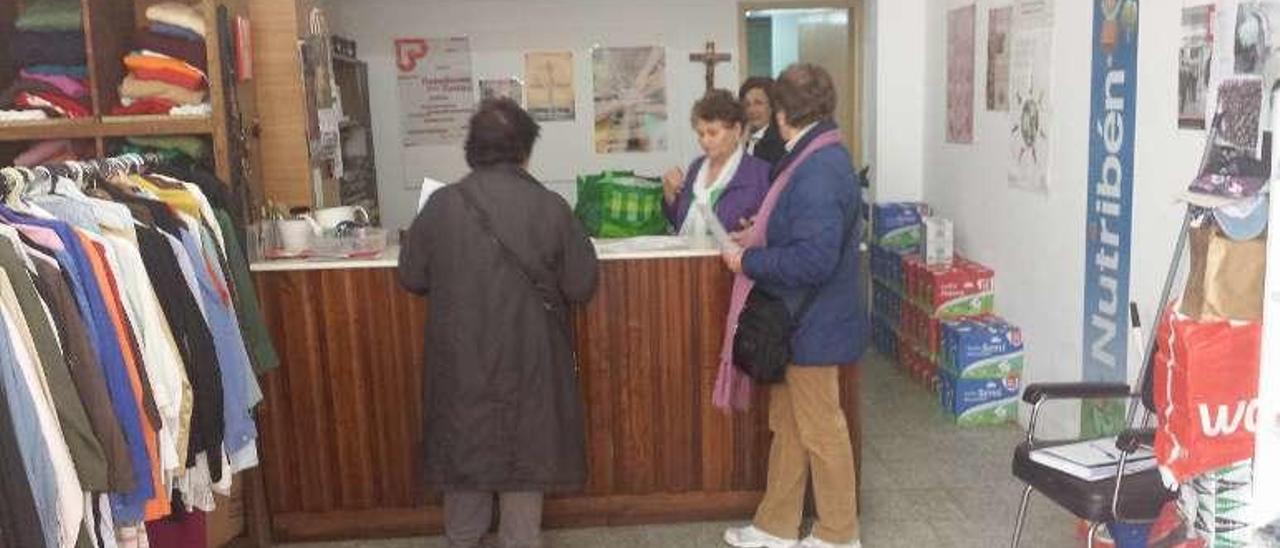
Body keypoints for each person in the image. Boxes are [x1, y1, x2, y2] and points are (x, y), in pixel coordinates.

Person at [398, 98, 599, 548]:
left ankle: (462, 539)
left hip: (460, 368)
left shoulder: (442, 206)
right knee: (524, 468)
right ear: (525, 150)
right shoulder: (551, 207)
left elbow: (411, 276)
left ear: (471, 149)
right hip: (531, 367)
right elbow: (582, 284)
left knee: (463, 463)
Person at [721, 64, 866, 548]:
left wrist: (748, 259)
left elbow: (814, 259)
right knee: (788, 425)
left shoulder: (819, 168)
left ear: (782, 113)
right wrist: (759, 234)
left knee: (822, 430)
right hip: (800, 321)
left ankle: (839, 534)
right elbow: (801, 233)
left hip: (812, 322)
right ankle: (776, 525)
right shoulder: (815, 153)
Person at [661, 89, 771, 239]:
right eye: (700, 134)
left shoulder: (761, 174)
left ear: (737, 130)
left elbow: (773, 230)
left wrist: (757, 233)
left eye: (713, 133)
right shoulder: (696, 167)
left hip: (731, 260)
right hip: (690, 259)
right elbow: (682, 223)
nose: (704, 141)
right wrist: (670, 196)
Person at [740, 76, 787, 166]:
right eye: (747, 104)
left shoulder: (779, 143)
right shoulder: (741, 139)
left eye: (758, 103)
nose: (752, 110)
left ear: (772, 107)